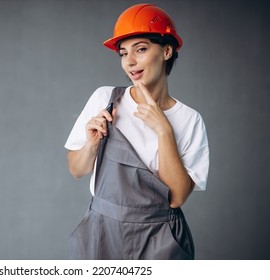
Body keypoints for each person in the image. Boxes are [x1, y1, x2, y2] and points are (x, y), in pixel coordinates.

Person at [64, 4, 209, 260]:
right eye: (123, 53)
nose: (129, 62)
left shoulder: (189, 120)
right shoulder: (105, 99)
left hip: (160, 238)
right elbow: (77, 170)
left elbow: (175, 198)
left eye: (140, 49)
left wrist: (164, 130)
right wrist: (91, 145)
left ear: (166, 50)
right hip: (102, 232)